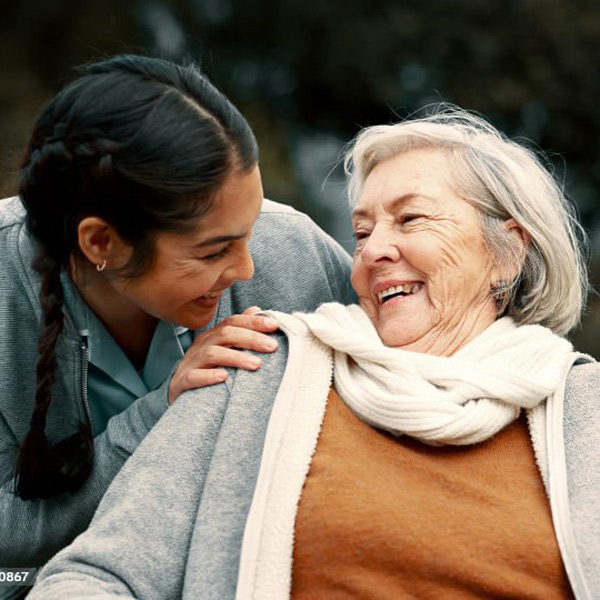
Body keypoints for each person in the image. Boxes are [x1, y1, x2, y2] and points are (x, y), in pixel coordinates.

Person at [29, 107, 600, 599]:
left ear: (507, 254)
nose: (373, 250)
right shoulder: (258, 368)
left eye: (411, 218)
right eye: (360, 232)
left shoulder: (584, 408)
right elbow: (97, 577)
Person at [0, 54, 356, 578]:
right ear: (101, 241)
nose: (246, 268)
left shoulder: (295, 251)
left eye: (252, 228)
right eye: (213, 252)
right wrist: (163, 410)